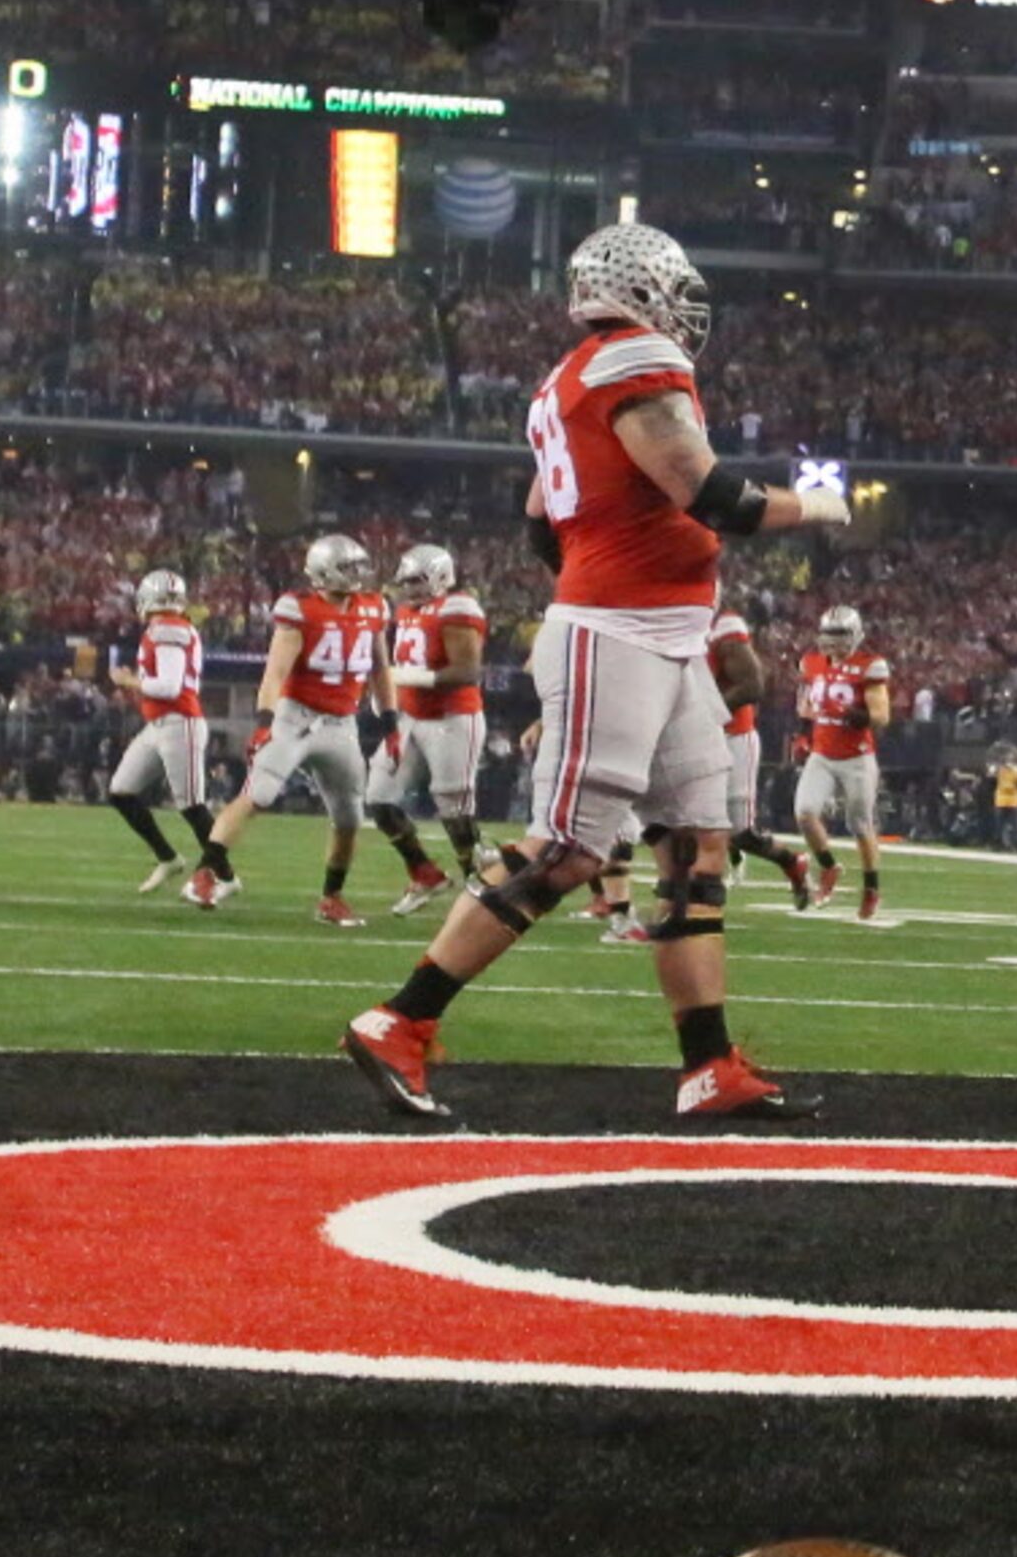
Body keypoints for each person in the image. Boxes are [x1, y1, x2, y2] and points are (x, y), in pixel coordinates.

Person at [341, 221, 846, 1120]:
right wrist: (815, 503)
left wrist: (606, 567)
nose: (686, 306)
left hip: (661, 634)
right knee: (571, 848)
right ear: (643, 288)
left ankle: (707, 1065)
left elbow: (540, 517)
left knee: (696, 844)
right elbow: (713, 494)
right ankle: (401, 1020)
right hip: (619, 633)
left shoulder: (571, 378)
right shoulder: (633, 359)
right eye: (676, 286)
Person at [185, 534, 392, 926]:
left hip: (342, 724)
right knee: (257, 794)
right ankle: (205, 874)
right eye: (348, 567)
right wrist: (264, 724)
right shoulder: (301, 609)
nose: (358, 574)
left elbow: (381, 669)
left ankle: (331, 899)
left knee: (349, 819)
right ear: (323, 571)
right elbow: (276, 671)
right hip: (296, 717)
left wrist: (391, 723)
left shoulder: (374, 607)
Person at [366, 543, 485, 916]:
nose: (411, 589)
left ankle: (478, 885)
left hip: (453, 718)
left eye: (418, 581)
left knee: (454, 806)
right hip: (411, 718)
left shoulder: (458, 606)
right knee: (380, 800)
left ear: (440, 576)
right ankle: (425, 873)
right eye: (407, 582)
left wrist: (406, 676)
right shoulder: (405, 610)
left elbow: (467, 672)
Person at [104, 568, 216, 893]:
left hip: (180, 721)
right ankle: (168, 858)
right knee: (121, 791)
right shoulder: (167, 627)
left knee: (192, 806)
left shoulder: (167, 629)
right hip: (159, 724)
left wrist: (127, 681)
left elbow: (168, 686)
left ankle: (222, 874)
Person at [708, 604, 811, 907]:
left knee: (740, 832)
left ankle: (792, 862)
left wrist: (705, 715)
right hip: (697, 738)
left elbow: (752, 684)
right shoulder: (675, 625)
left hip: (732, 737)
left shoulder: (723, 625)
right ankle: (690, 892)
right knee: (687, 819)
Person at [795, 604, 891, 918]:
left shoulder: (869, 665)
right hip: (822, 753)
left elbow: (881, 716)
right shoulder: (811, 663)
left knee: (860, 825)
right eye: (828, 634)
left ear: (855, 635)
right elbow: (806, 705)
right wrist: (804, 725)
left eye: (839, 634)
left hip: (856, 757)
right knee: (804, 813)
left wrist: (849, 713)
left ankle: (871, 888)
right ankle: (828, 867)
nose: (832, 641)